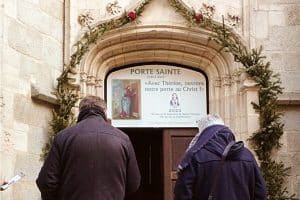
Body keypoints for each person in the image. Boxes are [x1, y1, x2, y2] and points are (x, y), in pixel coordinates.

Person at [36, 95, 141, 200]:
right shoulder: (123, 139)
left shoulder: (63, 137)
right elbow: (133, 183)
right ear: (104, 112)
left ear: (80, 111)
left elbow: (46, 182)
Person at [174, 114, 266, 200]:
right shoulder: (247, 155)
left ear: (203, 133)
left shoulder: (196, 156)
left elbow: (182, 194)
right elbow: (260, 191)